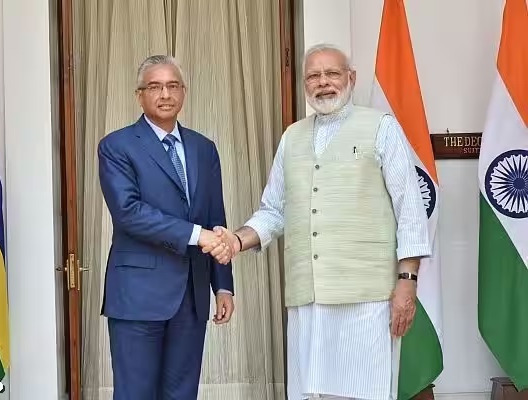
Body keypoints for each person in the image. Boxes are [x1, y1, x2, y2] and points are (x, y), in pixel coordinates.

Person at [205, 43, 431, 400]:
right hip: (308, 299)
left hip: (365, 298)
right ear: (304, 84)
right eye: (313, 76)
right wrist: (236, 240)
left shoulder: (381, 127)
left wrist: (407, 281)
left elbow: (410, 210)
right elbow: (274, 210)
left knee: (365, 392)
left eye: (332, 73)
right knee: (311, 394)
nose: (323, 82)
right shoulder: (291, 137)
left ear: (351, 78)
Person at [98, 54, 235, 400]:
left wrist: (223, 286)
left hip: (191, 296)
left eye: (173, 86)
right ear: (139, 95)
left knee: (182, 394)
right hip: (138, 296)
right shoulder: (116, 146)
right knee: (135, 394)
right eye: (155, 87)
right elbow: (129, 212)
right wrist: (196, 235)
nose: (165, 94)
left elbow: (215, 218)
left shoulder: (204, 149)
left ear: (184, 92)